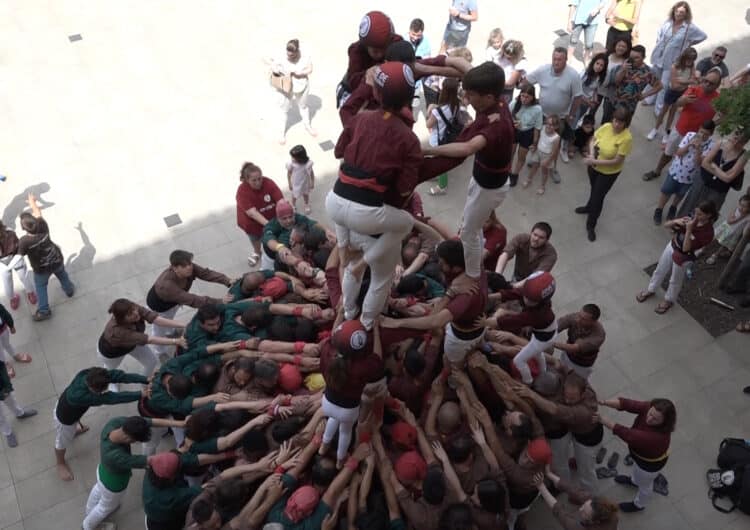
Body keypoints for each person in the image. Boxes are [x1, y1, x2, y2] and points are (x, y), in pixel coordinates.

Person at [326, 61, 419, 330]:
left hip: (335, 201)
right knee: (405, 226)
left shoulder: (361, 118)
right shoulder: (409, 140)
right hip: (369, 216)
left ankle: (348, 306)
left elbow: (338, 152)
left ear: (377, 94)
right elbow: (404, 189)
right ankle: (366, 323)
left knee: (350, 258)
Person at [420, 61, 515, 281]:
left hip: (489, 188)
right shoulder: (496, 98)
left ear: (489, 97)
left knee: (470, 233)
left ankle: (471, 274)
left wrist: (427, 150)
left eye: (471, 95)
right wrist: (438, 63)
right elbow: (464, 65)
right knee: (469, 222)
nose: (467, 99)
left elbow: (468, 147)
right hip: (483, 180)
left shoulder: (496, 126)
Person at [382, 239, 488, 367]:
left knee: (452, 363)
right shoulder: (474, 266)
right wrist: (421, 222)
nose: (438, 264)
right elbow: (439, 237)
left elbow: (435, 321)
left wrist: (396, 323)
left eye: (442, 263)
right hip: (469, 322)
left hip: (460, 338)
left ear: (456, 268)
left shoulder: (466, 295)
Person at [81, 416, 183, 530]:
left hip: (102, 472)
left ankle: (89, 510)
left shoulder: (115, 423)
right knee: (104, 508)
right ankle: (87, 526)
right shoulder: (117, 456)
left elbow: (151, 421)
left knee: (98, 490)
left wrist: (181, 423)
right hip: (113, 485)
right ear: (129, 439)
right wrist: (179, 453)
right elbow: (150, 460)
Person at [54, 367, 149, 481]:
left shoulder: (90, 375)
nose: (104, 392)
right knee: (62, 442)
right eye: (101, 391)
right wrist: (140, 394)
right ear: (93, 389)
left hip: (71, 409)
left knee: (75, 421)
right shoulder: (83, 396)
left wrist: (146, 379)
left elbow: (120, 376)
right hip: (65, 419)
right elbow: (114, 398)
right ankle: (60, 463)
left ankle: (75, 430)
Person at [320, 320, 383, 467]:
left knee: (332, 419)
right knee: (345, 431)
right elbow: (377, 357)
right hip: (348, 410)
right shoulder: (362, 367)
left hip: (328, 402)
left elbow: (332, 337)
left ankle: (324, 445)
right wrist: (377, 331)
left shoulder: (327, 353)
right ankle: (340, 460)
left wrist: (341, 315)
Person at [146, 250, 232, 358]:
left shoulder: (188, 268)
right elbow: (192, 300)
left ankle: (170, 331)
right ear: (175, 268)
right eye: (184, 266)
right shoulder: (167, 285)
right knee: (159, 329)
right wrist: (219, 301)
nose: (189, 267)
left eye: (190, 263)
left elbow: (206, 274)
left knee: (170, 318)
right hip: (159, 306)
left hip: (174, 301)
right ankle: (160, 352)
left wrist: (227, 280)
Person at [596, 397, 676, 512]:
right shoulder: (651, 408)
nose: (649, 418)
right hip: (640, 457)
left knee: (645, 486)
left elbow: (626, 433)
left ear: (664, 422)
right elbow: (628, 404)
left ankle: (639, 505)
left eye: (655, 419)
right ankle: (634, 481)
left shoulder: (657, 437)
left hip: (648, 466)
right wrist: (604, 401)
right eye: (650, 413)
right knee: (638, 473)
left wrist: (602, 419)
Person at [637, 200, 718, 314]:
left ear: (708, 215)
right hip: (672, 245)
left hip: (684, 256)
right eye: (696, 212)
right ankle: (651, 289)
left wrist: (689, 229)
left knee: (675, 279)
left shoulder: (707, 233)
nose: (696, 216)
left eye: (700, 214)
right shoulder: (691, 217)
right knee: (660, 269)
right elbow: (666, 225)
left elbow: (686, 248)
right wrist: (676, 221)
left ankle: (669, 300)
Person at [642, 68, 722, 182]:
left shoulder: (718, 99)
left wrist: (713, 124)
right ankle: (657, 171)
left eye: (711, 83)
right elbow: (677, 104)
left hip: (699, 136)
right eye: (706, 80)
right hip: (681, 129)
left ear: (717, 85)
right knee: (668, 153)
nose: (707, 84)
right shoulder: (694, 89)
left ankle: (679, 178)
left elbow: (724, 115)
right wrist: (683, 100)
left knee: (689, 160)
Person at [576, 106, 633, 242]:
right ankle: (588, 207)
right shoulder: (607, 126)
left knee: (598, 197)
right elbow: (593, 139)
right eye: (615, 120)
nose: (616, 124)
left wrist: (594, 160)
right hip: (594, 166)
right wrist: (591, 154)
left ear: (626, 123)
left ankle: (591, 224)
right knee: (593, 189)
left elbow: (617, 160)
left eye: (620, 122)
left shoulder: (626, 138)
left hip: (608, 173)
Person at [98, 299, 187, 386]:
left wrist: (184, 324)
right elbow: (149, 339)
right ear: (122, 319)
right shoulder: (117, 331)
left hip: (133, 343)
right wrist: (176, 341)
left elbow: (156, 319)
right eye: (130, 314)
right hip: (112, 352)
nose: (135, 313)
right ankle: (111, 382)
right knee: (110, 369)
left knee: (151, 361)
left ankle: (145, 382)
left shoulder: (133, 308)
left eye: (133, 309)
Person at [16, 192, 75, 321]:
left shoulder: (24, 241)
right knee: (62, 274)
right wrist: (32, 202)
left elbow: (17, 256)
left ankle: (43, 311)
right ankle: (69, 290)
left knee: (41, 287)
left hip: (41, 269)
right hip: (56, 259)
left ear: (23, 228)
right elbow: (38, 212)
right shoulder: (42, 224)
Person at [525, 47, 583, 168]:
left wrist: (571, 114)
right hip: (542, 114)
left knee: (554, 145)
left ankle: (553, 168)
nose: (556, 62)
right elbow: (527, 81)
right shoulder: (543, 70)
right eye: (554, 59)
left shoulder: (573, 75)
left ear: (566, 60)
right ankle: (534, 159)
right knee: (536, 138)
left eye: (559, 60)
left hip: (559, 119)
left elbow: (578, 97)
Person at [646, 1, 707, 114]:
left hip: (672, 60)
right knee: (654, 79)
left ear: (686, 14)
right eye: (677, 11)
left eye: (682, 12)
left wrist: (688, 44)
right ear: (673, 11)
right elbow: (660, 34)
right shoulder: (668, 22)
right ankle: (649, 99)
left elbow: (703, 36)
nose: (678, 14)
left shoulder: (690, 28)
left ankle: (658, 109)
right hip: (659, 56)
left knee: (663, 86)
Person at [652, 120, 715, 225]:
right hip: (676, 170)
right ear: (699, 129)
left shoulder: (711, 145)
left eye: (706, 134)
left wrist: (699, 149)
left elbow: (698, 163)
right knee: (667, 191)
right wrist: (689, 144)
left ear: (711, 134)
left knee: (680, 193)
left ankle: (673, 208)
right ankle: (659, 209)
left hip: (691, 176)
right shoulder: (690, 135)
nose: (702, 135)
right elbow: (679, 153)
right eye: (701, 132)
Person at [336, 10, 401, 108]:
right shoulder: (356, 51)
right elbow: (353, 81)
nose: (380, 54)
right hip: (353, 91)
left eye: (384, 49)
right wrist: (368, 74)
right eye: (375, 51)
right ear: (365, 46)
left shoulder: (397, 43)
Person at [677, 131, 749, 217]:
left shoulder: (744, 156)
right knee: (690, 204)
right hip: (702, 181)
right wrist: (723, 174)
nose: (736, 142)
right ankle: (679, 226)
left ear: (745, 142)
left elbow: (728, 178)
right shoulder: (721, 143)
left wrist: (713, 166)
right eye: (735, 138)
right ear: (733, 134)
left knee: (708, 214)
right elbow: (704, 163)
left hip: (718, 191)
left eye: (740, 141)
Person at [535, 468, 619, 529]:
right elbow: (573, 490)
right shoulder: (611, 515)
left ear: (594, 521)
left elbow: (559, 512)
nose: (580, 509)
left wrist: (541, 487)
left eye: (585, 513)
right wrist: (549, 474)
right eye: (583, 506)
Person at [235, 162, 284, 267]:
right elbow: (252, 213)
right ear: (247, 180)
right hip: (253, 224)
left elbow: (280, 199)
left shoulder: (268, 183)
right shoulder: (242, 191)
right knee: (255, 238)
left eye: (259, 178)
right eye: (254, 180)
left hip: (272, 219)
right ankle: (257, 252)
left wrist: (283, 210)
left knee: (275, 238)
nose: (258, 182)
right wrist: (269, 225)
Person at [647, 47, 699, 142]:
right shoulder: (675, 66)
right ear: (684, 58)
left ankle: (666, 132)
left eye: (692, 60)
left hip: (682, 92)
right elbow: (674, 86)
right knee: (663, 111)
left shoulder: (692, 66)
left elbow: (694, 79)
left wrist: (683, 81)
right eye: (688, 59)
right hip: (672, 92)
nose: (690, 62)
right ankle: (655, 129)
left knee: (672, 113)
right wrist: (688, 81)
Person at [269, 39, 315, 144]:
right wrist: (275, 69)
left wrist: (301, 73)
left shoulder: (305, 56)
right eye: (288, 54)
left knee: (303, 106)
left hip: (301, 84)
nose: (289, 56)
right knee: (284, 110)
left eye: (292, 55)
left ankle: (307, 126)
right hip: (285, 86)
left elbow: (310, 69)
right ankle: (281, 134)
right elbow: (273, 65)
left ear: (297, 51)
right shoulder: (281, 55)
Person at [426, 78, 462, 195]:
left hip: (438, 140)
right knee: (437, 160)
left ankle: (442, 186)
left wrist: (430, 110)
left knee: (440, 163)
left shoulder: (437, 111)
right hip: (448, 137)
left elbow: (428, 124)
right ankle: (435, 175)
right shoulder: (456, 104)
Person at [609, 45, 661, 121]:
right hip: (615, 102)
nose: (633, 60)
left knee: (623, 127)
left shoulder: (648, 72)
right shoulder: (626, 64)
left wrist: (644, 95)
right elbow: (616, 81)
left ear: (644, 58)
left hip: (630, 107)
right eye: (631, 57)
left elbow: (659, 86)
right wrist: (623, 70)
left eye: (636, 58)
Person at [553, 304, 605, 379]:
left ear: (593, 322)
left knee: (574, 381)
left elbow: (574, 348)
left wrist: (551, 343)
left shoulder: (598, 335)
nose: (578, 319)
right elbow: (558, 325)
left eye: (583, 319)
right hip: (566, 354)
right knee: (560, 372)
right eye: (579, 315)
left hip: (581, 365)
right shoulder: (577, 317)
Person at [0, 344, 36, 447]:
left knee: (11, 401)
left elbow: (1, 367)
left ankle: (20, 413)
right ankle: (8, 432)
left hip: (2, 387)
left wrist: (7, 386)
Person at [510, 84, 543, 188]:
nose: (524, 99)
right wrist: (512, 123)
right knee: (510, 153)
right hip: (514, 131)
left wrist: (535, 142)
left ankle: (515, 174)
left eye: (527, 97)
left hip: (527, 133)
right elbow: (506, 116)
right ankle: (508, 171)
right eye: (522, 95)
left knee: (521, 156)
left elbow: (537, 128)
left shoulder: (537, 109)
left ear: (533, 97)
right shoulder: (515, 103)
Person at [0, 221, 36, 310]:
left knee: (7, 282)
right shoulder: (10, 232)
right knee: (24, 277)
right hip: (15, 258)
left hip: (2, 264)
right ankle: (31, 294)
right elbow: (18, 245)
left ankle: (13, 300)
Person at [706, 195, 750, 265]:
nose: (741, 208)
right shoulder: (736, 210)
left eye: (744, 206)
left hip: (734, 233)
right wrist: (741, 217)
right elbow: (729, 221)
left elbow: (745, 230)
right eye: (740, 205)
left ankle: (715, 255)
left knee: (724, 245)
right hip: (726, 228)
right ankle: (702, 249)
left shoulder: (748, 217)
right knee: (714, 238)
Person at [522, 115, 560, 195]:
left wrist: (548, 160)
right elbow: (539, 138)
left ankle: (542, 186)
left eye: (552, 125)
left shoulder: (556, 138)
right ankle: (529, 179)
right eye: (547, 123)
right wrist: (534, 146)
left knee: (544, 172)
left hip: (547, 156)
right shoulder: (543, 129)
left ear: (556, 126)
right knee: (534, 167)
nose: (549, 126)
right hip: (538, 152)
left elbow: (554, 152)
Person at [598, 38, 631, 124]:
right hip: (599, 88)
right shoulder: (607, 55)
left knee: (606, 116)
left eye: (624, 46)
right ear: (615, 46)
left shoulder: (626, 62)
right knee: (592, 110)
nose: (621, 48)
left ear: (627, 49)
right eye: (619, 45)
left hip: (611, 93)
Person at [567, 0, 607, 66]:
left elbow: (604, 2)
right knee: (573, 40)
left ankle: (586, 59)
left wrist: (597, 8)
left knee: (589, 44)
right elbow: (573, 4)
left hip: (593, 21)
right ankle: (569, 58)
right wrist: (569, 21)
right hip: (578, 19)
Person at [0, 301, 32, 378]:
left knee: (7, 344)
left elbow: (5, 314)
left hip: (3, 329)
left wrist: (11, 325)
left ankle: (15, 355)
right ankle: (4, 364)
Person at [286, 145, 315, 214]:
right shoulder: (292, 164)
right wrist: (289, 183)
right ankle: (293, 205)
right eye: (292, 157)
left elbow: (311, 173)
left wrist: (312, 182)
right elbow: (289, 173)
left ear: (300, 158)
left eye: (294, 157)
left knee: (306, 194)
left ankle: (306, 204)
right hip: (295, 184)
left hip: (305, 183)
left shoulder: (308, 164)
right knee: (294, 195)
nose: (292, 158)